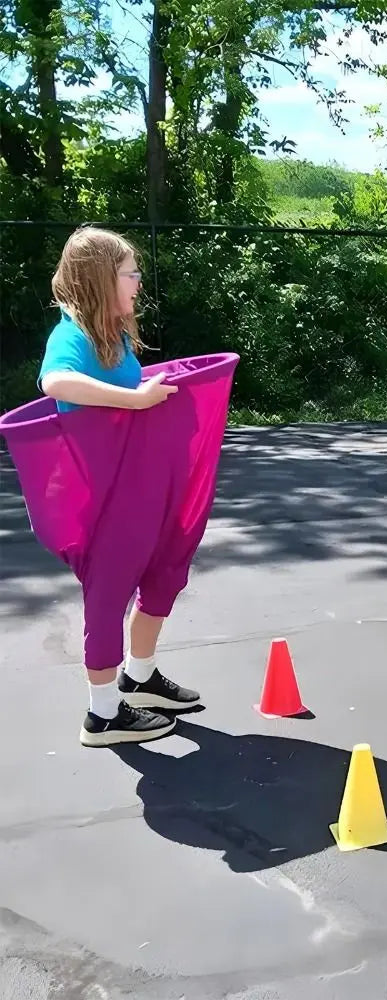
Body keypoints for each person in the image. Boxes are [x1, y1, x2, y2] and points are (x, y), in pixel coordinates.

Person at [38, 227, 201, 747]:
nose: (137, 283)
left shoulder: (114, 335)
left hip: (136, 485)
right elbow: (55, 382)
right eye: (130, 274)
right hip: (103, 495)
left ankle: (140, 676)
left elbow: (126, 390)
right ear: (100, 279)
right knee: (108, 591)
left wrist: (150, 391)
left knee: (164, 570)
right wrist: (135, 400)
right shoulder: (72, 335)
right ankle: (103, 714)